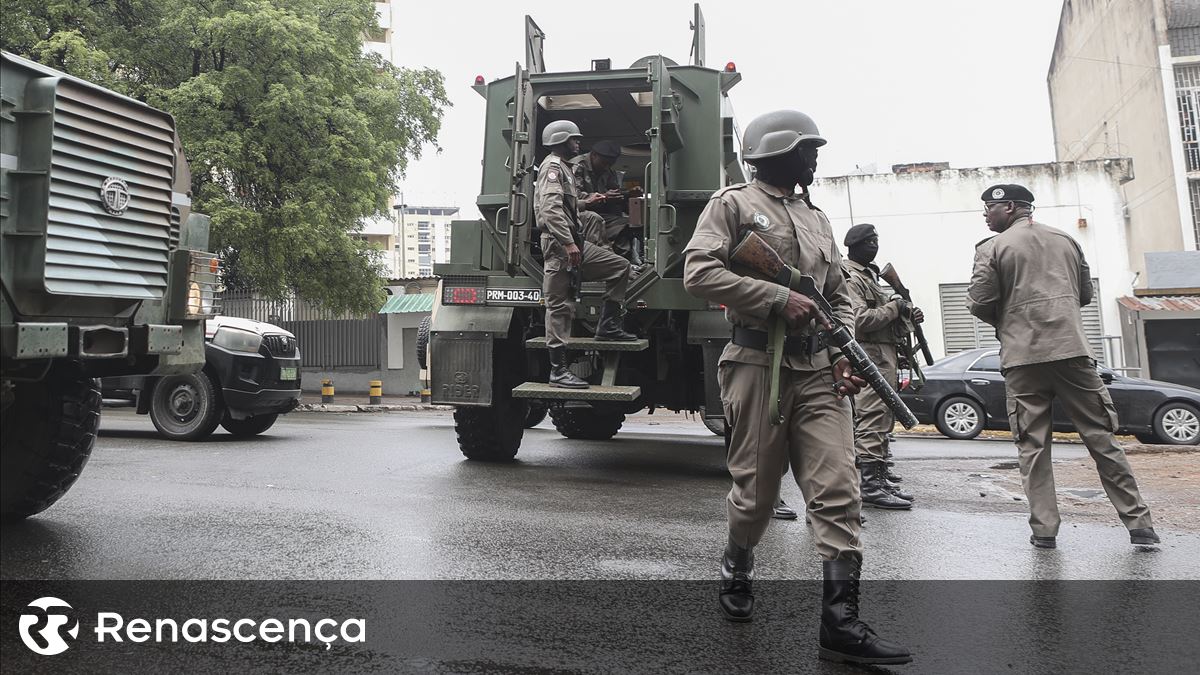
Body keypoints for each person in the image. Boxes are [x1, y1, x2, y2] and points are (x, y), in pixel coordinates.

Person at [683, 109, 911, 665]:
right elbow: (698, 273)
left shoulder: (817, 219)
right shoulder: (733, 205)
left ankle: (840, 623)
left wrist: (843, 352)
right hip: (757, 364)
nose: (815, 157)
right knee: (757, 497)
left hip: (817, 373)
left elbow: (835, 296)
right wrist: (777, 299)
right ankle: (738, 562)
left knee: (840, 491)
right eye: (808, 147)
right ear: (777, 151)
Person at [967, 183, 1159, 549]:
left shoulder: (992, 248)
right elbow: (1085, 294)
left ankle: (1044, 531)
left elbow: (980, 302)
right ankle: (1139, 525)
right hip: (1072, 351)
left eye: (989, 209)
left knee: (1033, 445)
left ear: (1008, 208)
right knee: (1102, 438)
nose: (985, 215)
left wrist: (1009, 319)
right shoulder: (1066, 240)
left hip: (1023, 358)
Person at [535, 121, 637, 390]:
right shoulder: (554, 168)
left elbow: (569, 205)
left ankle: (608, 327)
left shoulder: (564, 168)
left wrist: (589, 202)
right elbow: (551, 210)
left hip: (572, 242)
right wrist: (569, 244)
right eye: (574, 140)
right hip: (560, 246)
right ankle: (558, 371)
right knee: (559, 306)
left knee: (620, 267)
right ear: (561, 141)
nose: (579, 144)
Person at [842, 223, 919, 510]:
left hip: (883, 353)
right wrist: (894, 308)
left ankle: (880, 476)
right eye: (869, 242)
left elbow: (885, 320)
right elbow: (860, 319)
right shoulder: (851, 277)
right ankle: (871, 485)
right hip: (868, 355)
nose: (874, 246)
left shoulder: (869, 275)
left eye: (876, 240)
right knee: (873, 416)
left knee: (883, 417)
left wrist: (906, 316)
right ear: (854, 246)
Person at [573, 140, 644, 265]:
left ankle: (624, 262)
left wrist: (627, 194)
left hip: (601, 214)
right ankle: (611, 264)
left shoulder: (607, 171)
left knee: (629, 225)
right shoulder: (578, 166)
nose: (606, 167)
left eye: (610, 164)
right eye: (604, 163)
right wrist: (604, 197)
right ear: (594, 155)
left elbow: (614, 192)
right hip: (578, 214)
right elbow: (575, 197)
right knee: (605, 222)